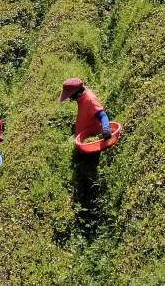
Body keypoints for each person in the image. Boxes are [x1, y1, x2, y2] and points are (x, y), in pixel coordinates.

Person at [59, 78, 112, 226]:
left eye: (71, 96)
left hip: (91, 143)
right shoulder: (82, 98)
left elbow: (102, 115)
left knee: (89, 171)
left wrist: (106, 129)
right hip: (84, 138)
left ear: (77, 93)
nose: (71, 99)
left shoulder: (89, 99)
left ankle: (92, 200)